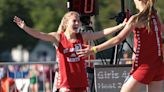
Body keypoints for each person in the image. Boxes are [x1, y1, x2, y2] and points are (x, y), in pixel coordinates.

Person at [13, 11, 126, 92]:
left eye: (79, 21)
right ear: (66, 23)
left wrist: (120, 26)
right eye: (74, 21)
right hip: (66, 84)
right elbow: (40, 35)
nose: (77, 23)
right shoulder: (58, 37)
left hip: (81, 83)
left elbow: (102, 33)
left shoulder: (82, 36)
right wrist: (25, 27)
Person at [77, 0, 164, 92]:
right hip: (158, 65)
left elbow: (118, 39)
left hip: (144, 66)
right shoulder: (155, 16)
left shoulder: (137, 19)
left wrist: (94, 49)